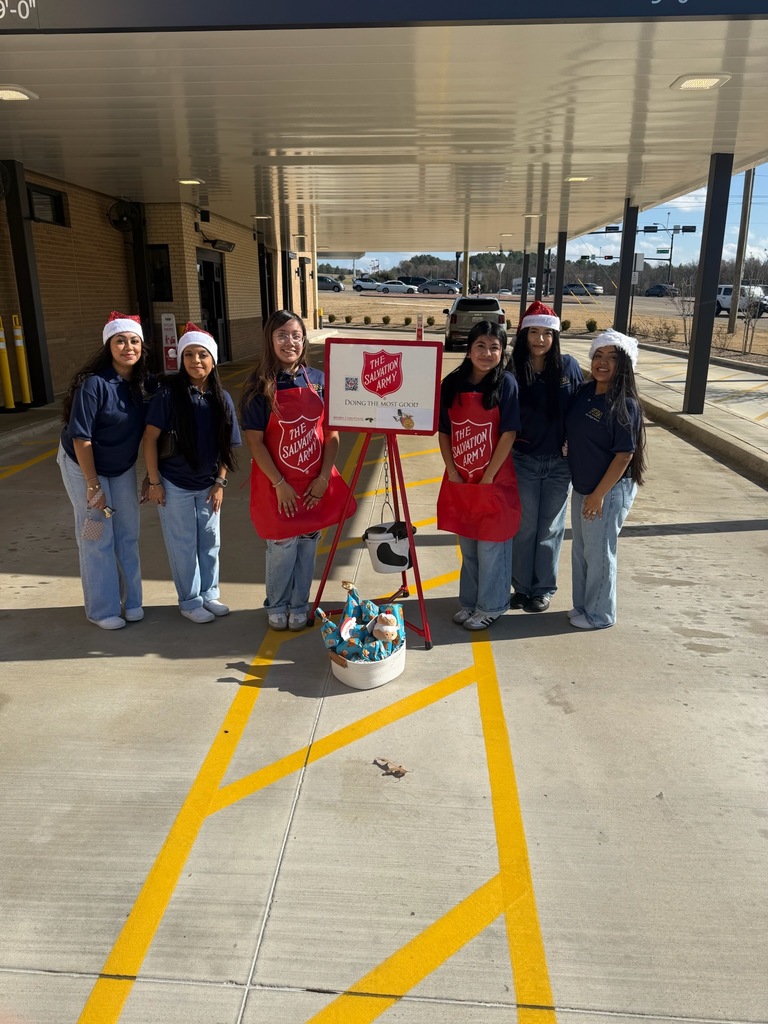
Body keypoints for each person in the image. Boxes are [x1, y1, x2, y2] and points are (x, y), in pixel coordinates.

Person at [240, 309, 355, 632]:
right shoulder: (258, 385)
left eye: (295, 335)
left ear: (304, 339)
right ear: (270, 340)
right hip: (277, 483)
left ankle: (299, 604)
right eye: (281, 335)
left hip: (312, 482)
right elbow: (255, 442)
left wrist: (322, 478)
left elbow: (331, 436)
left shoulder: (318, 381)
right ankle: (277, 604)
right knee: (281, 545)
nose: (289, 342)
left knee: (307, 542)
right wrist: (279, 483)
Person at [57, 311, 154, 629]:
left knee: (127, 533)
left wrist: (151, 476)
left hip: (121, 468)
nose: (128, 346)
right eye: (120, 340)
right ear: (109, 345)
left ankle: (132, 602)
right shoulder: (94, 385)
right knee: (95, 533)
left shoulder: (143, 384)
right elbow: (81, 438)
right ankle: (102, 609)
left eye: (134, 341)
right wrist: (92, 484)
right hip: (83, 466)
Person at [143, 323, 240, 623]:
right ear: (181, 359)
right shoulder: (168, 395)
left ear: (213, 360)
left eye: (202, 355)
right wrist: (155, 482)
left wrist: (220, 481)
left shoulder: (221, 399)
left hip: (208, 485)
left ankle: (210, 595)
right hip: (175, 485)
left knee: (210, 543)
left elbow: (226, 446)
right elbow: (149, 439)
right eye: (188, 355)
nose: (195, 361)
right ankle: (189, 601)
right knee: (183, 545)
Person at [436, 320, 521, 631]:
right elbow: (444, 432)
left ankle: (492, 606)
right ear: (469, 349)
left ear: (503, 351)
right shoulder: (452, 384)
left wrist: (488, 477)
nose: (487, 353)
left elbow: (508, 434)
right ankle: (470, 602)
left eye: (495, 347)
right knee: (468, 545)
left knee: (491, 546)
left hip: (493, 480)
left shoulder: (506, 384)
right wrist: (452, 471)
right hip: (461, 478)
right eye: (481, 346)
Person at [565, 329, 647, 630]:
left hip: (608, 490)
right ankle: (584, 606)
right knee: (582, 552)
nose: (602, 363)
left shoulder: (624, 403)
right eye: (598, 355)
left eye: (612, 358)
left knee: (600, 554)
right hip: (584, 485)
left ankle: (600, 615)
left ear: (624, 365)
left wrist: (599, 495)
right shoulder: (586, 392)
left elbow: (624, 455)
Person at [509, 300, 583, 613]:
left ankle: (543, 589)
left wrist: (575, 443)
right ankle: (522, 588)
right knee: (525, 527)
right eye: (534, 332)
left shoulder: (568, 367)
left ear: (555, 338)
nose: (540, 339)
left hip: (559, 464)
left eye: (546, 334)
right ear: (524, 335)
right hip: (523, 460)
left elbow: (579, 411)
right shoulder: (512, 370)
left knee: (550, 528)